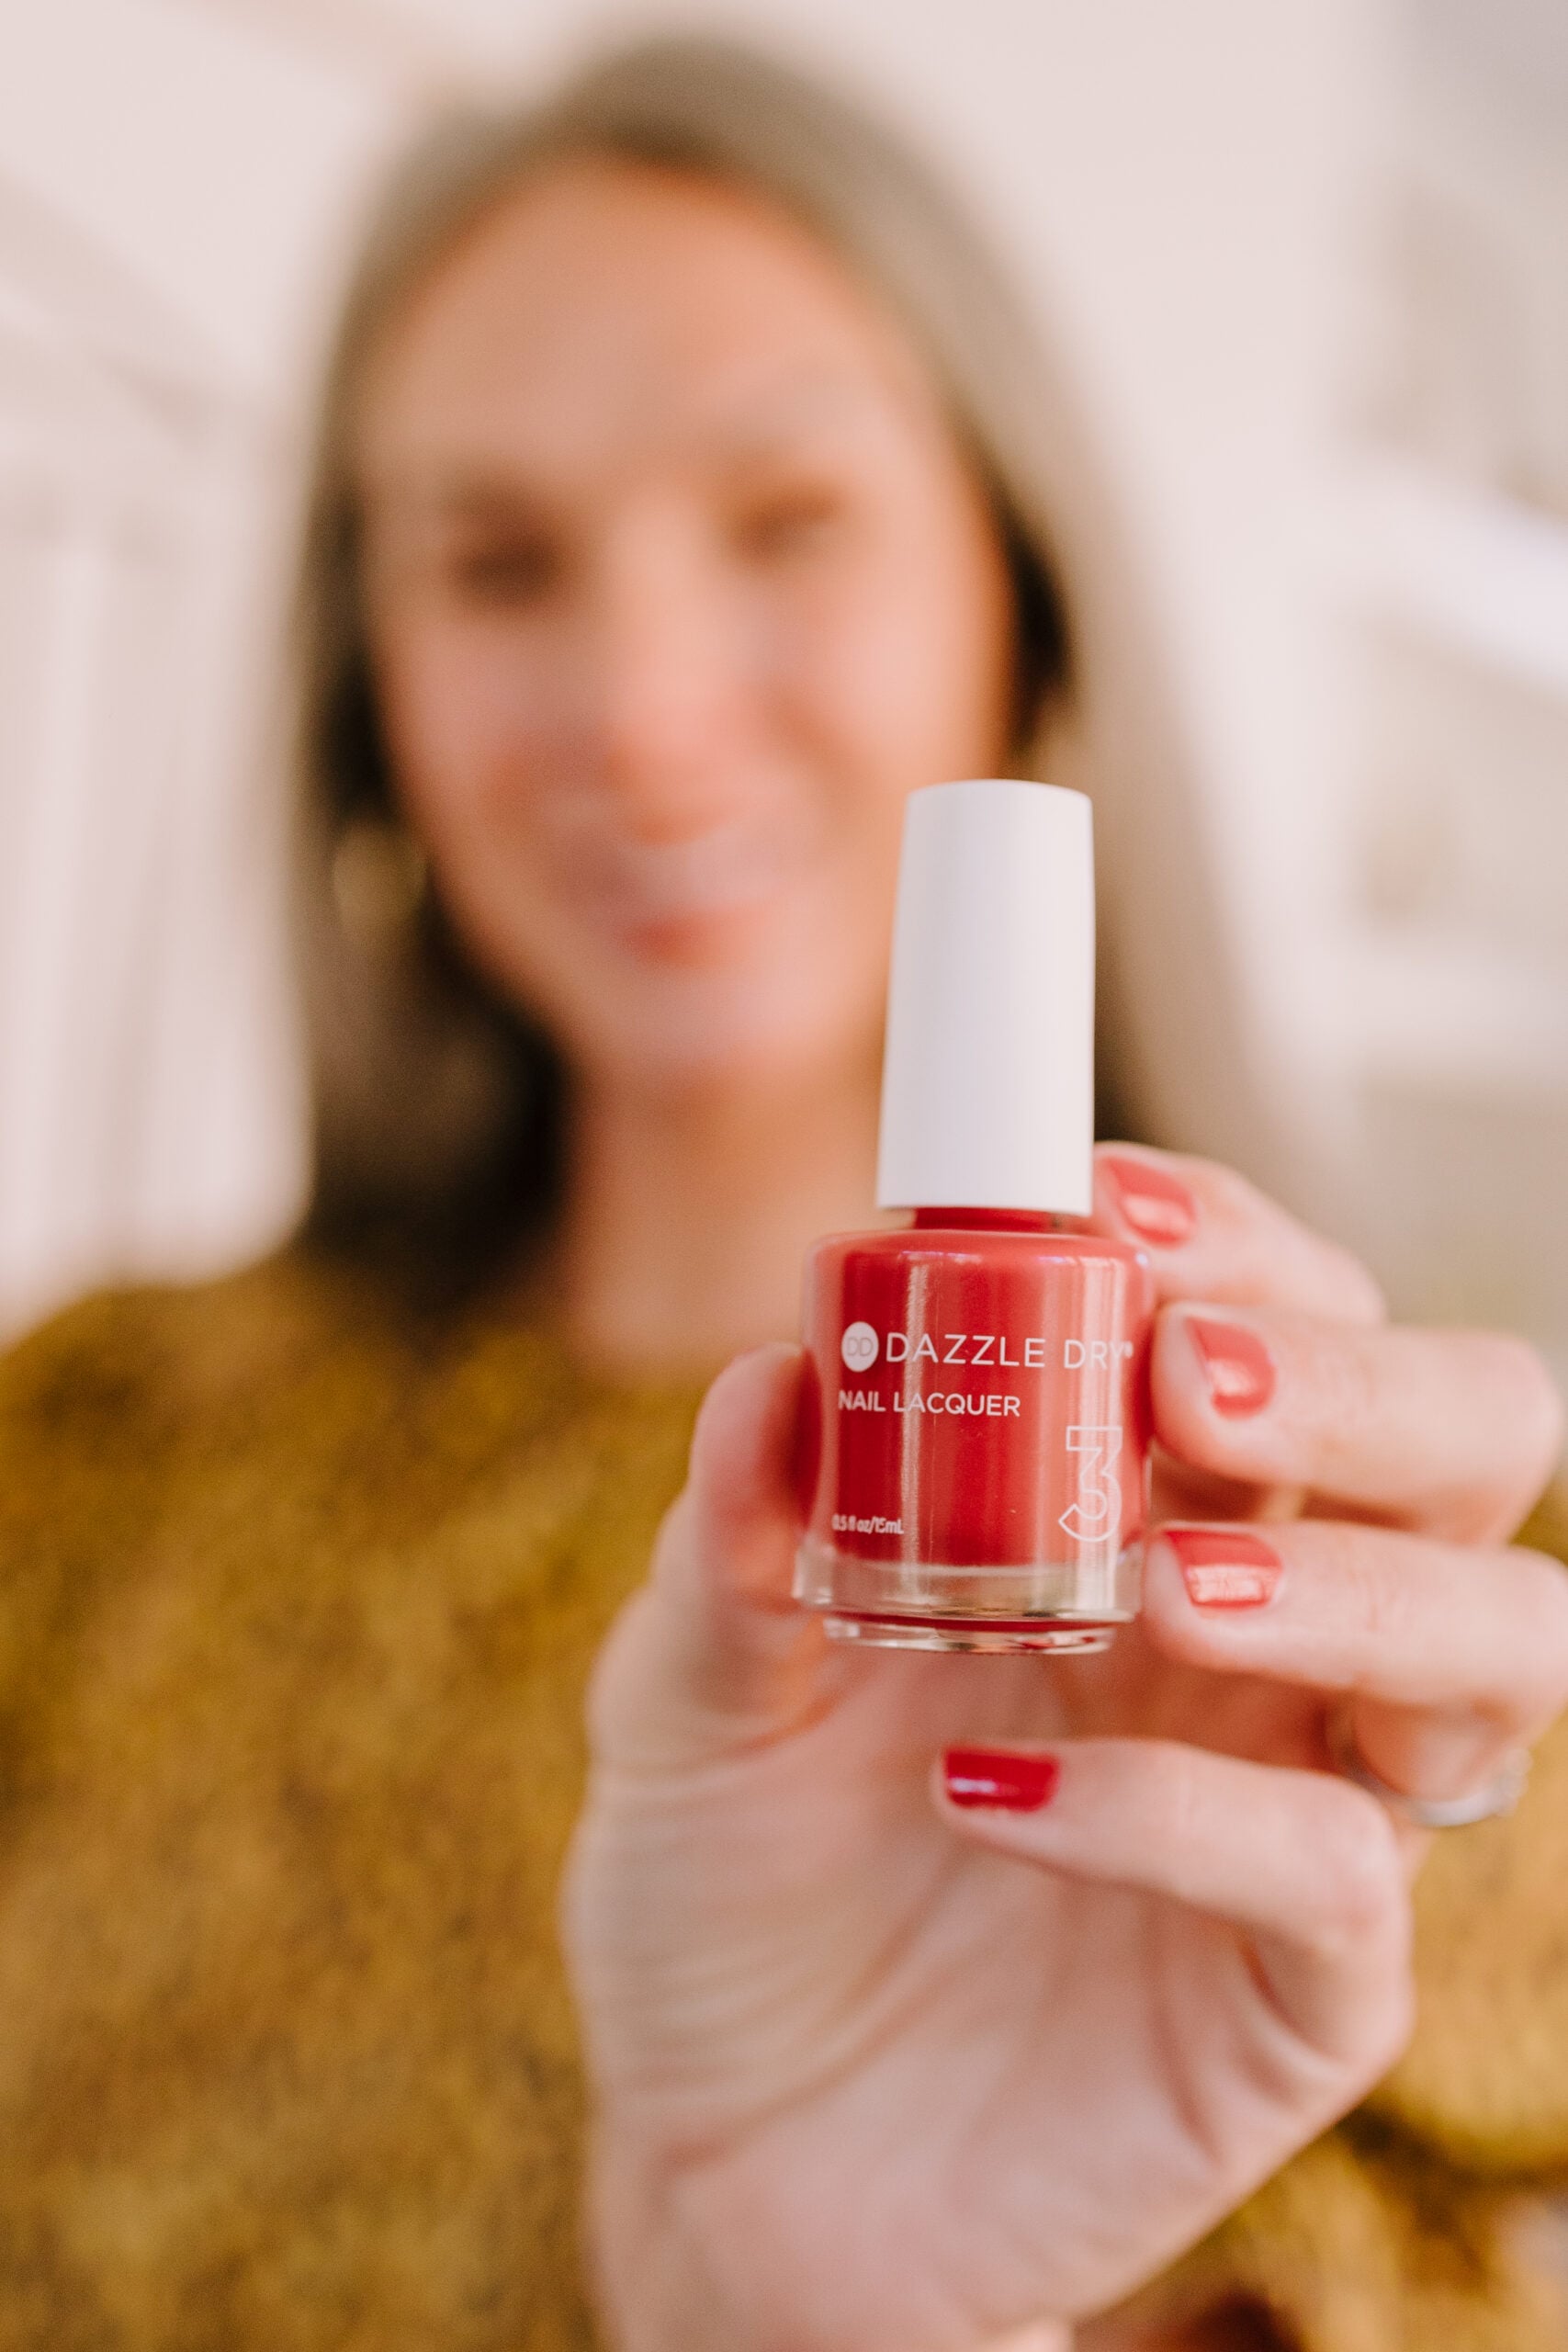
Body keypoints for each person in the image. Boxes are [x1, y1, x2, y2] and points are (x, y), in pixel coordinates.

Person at [0, 32, 1562, 2352]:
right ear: (372, 698)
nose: (637, 705)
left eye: (787, 517)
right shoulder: (94, 1445)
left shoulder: (1366, 1625)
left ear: (1018, 604)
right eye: (497, 558)